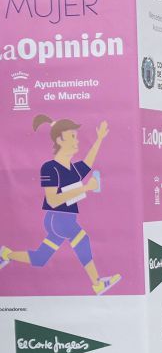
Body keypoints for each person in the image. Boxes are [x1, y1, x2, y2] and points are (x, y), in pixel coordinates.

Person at [0, 115, 120, 294]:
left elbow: (87, 163)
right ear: (59, 140)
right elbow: (52, 200)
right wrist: (85, 188)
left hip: (64, 219)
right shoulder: (50, 168)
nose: (77, 140)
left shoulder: (72, 169)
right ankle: (97, 283)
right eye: (72, 136)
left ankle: (6, 254)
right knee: (82, 240)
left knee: (40, 258)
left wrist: (99, 139)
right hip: (58, 219)